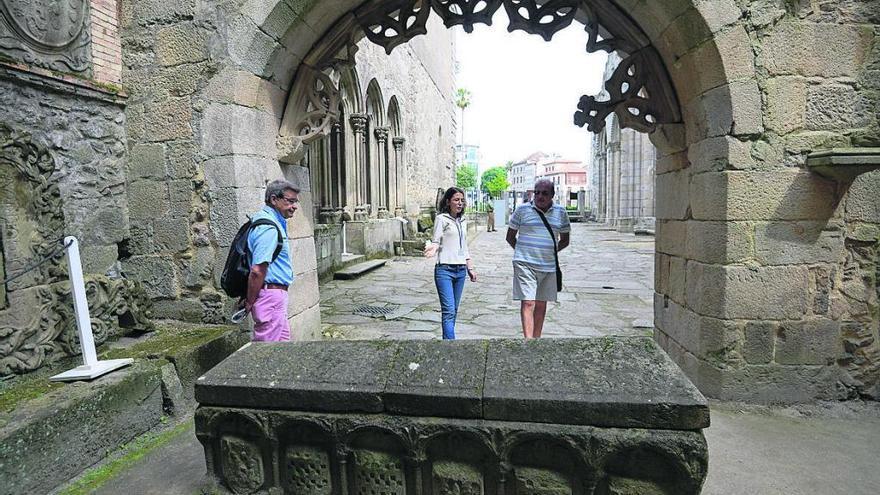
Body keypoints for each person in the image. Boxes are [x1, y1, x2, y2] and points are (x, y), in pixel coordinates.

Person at [506, 179, 570, 338]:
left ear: (552, 195)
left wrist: (550, 252)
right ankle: (528, 342)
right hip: (525, 264)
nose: (540, 196)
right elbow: (510, 237)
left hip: (548, 266)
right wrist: (523, 252)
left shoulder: (561, 213)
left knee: (541, 304)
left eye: (544, 193)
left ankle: (537, 340)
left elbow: (565, 240)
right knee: (528, 302)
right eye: (537, 192)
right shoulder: (522, 210)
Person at [242, 179, 300, 342]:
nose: (294, 206)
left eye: (296, 201)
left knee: (281, 348)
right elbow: (257, 270)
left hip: (275, 296)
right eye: (290, 201)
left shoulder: (272, 222)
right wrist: (250, 301)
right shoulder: (268, 227)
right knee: (265, 353)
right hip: (270, 296)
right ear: (274, 199)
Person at [424, 187, 477, 339]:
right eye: (456, 200)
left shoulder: (463, 221)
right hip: (444, 270)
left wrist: (470, 267)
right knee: (448, 311)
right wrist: (433, 249)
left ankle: (447, 342)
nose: (460, 203)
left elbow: (464, 246)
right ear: (448, 202)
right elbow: (436, 240)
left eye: (462, 200)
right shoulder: (442, 219)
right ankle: (450, 346)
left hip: (460, 271)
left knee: (454, 310)